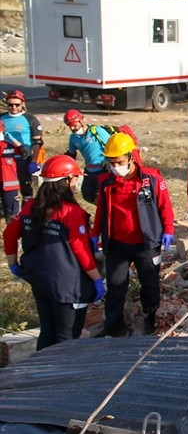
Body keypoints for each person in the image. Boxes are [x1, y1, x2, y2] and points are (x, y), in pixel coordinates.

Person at [4, 156, 104, 350]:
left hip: (39, 278)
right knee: (66, 335)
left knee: (47, 331)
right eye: (75, 178)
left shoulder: (30, 206)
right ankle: (60, 375)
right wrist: (96, 279)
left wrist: (12, 263)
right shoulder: (70, 212)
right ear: (66, 181)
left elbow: (9, 234)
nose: (76, 183)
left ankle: (39, 373)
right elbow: (80, 250)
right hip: (67, 284)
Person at [93, 132, 175, 336]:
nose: (115, 166)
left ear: (130, 157)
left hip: (146, 244)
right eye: (111, 162)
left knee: (149, 285)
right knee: (115, 286)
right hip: (117, 244)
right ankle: (114, 325)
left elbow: (165, 207)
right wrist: (95, 234)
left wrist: (168, 230)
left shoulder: (151, 179)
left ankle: (151, 318)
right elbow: (101, 210)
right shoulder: (106, 182)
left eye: (119, 161)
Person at [2, 90, 42, 206]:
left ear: (23, 104)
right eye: (10, 105)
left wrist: (34, 161)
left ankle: (27, 213)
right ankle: (9, 213)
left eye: (17, 105)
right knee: (7, 187)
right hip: (4, 159)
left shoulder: (30, 119)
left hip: (23, 157)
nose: (13, 107)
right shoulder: (2, 118)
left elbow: (37, 142)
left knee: (26, 187)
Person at [64, 110, 112, 204]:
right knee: (87, 195)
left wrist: (109, 160)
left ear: (81, 121)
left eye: (74, 125)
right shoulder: (73, 138)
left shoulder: (96, 131)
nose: (73, 128)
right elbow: (71, 154)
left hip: (103, 170)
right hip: (89, 171)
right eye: (70, 126)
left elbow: (112, 145)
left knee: (101, 198)